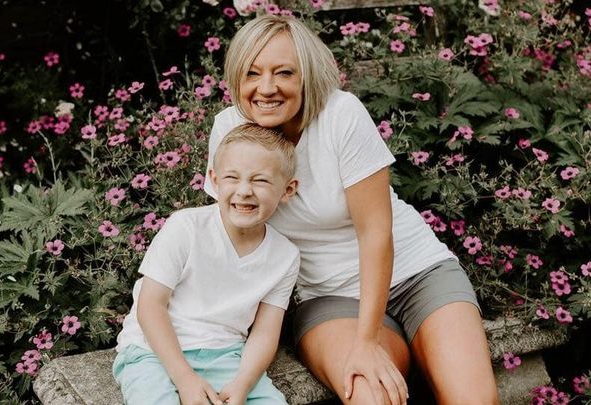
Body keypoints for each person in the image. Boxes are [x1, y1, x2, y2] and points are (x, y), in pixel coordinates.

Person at [203, 14, 499, 405]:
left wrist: (367, 341)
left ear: (306, 76)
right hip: (329, 296)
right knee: (368, 397)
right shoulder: (229, 131)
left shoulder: (341, 115)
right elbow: (232, 238)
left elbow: (375, 232)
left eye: (284, 72)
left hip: (417, 275)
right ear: (235, 79)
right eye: (252, 73)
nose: (267, 88)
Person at [113, 123, 300, 405]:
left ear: (287, 189)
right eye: (232, 177)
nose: (244, 190)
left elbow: (264, 332)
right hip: (152, 351)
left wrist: (243, 383)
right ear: (214, 179)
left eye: (260, 180)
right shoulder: (186, 227)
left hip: (226, 355)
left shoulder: (285, 255)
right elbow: (150, 307)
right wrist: (185, 379)